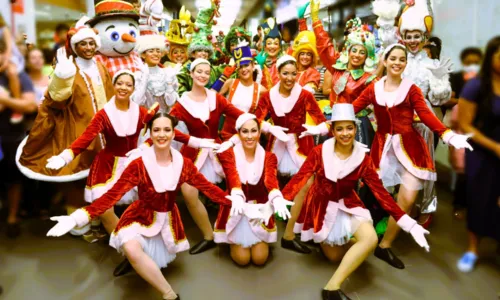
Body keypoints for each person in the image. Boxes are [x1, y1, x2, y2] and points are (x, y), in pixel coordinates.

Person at [46, 113, 251, 300]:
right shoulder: (138, 164)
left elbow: (208, 189)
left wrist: (238, 203)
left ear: (174, 133)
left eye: (167, 130)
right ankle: (169, 294)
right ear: (150, 134)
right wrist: (77, 217)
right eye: (156, 130)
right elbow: (111, 196)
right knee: (132, 249)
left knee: (146, 254)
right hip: (140, 216)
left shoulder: (184, 164)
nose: (162, 135)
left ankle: (143, 262)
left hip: (167, 219)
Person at [282, 103, 430, 299]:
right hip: (321, 207)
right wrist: (277, 199)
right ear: (332, 131)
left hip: (348, 204)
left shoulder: (363, 159)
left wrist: (408, 223)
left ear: (355, 128)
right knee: (334, 257)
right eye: (340, 128)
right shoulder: (319, 152)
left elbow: (382, 195)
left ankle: (331, 288)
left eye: (349, 128)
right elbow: (300, 178)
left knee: (370, 238)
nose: (345, 133)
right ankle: (341, 239)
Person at [352, 44, 472, 269]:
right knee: (370, 194)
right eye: (393, 58)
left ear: (405, 64)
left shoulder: (412, 89)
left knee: (406, 200)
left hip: (410, 149)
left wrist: (447, 134)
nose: (397, 62)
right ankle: (360, 235)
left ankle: (384, 246)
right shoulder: (373, 89)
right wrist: (326, 122)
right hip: (382, 149)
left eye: (402, 59)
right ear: (385, 61)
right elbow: (352, 108)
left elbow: (426, 115)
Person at [17, 17, 114, 239]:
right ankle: (79, 223)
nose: (88, 48)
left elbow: (109, 97)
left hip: (104, 133)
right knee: (77, 179)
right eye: (83, 44)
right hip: (77, 131)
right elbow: (56, 100)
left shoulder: (101, 66)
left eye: (91, 43)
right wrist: (62, 77)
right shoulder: (67, 69)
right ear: (75, 47)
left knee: (100, 178)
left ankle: (98, 217)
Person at [250, 55, 328, 254]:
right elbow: (255, 120)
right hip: (277, 142)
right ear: (278, 73)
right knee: (266, 181)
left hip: (301, 142)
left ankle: (292, 233)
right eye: (285, 73)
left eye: (294, 74)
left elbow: (322, 121)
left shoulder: (305, 95)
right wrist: (268, 127)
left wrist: (315, 130)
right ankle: (261, 226)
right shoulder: (268, 96)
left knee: (307, 184)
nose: (290, 78)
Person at [169, 58, 246, 255]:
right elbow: (167, 128)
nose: (202, 75)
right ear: (192, 74)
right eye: (199, 71)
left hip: (218, 150)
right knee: (188, 192)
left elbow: (241, 116)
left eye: (206, 72)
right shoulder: (182, 103)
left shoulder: (216, 98)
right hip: (193, 153)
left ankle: (237, 229)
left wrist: (239, 136)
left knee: (236, 187)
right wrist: (192, 141)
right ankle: (208, 236)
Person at [214, 113, 294, 266]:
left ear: (259, 132)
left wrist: (276, 198)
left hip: (259, 211)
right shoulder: (228, 155)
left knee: (259, 259)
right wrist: (237, 194)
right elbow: (233, 176)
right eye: (245, 131)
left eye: (253, 131)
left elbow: (271, 181)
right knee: (242, 260)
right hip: (237, 210)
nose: (249, 136)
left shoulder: (269, 157)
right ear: (238, 133)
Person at [457, 36, 500, 273]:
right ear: (491, 57)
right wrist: (494, 147)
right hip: (482, 154)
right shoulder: (476, 86)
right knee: (479, 200)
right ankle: (473, 249)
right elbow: (465, 125)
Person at [0, 38, 36, 238]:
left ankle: (12, 217)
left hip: (11, 135)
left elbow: (30, 106)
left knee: (13, 178)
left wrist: (5, 100)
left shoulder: (18, 76)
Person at [448, 47, 483, 218]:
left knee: (481, 171)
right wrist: (464, 101)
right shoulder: (456, 78)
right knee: (463, 169)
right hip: (462, 130)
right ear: (463, 62)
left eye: (476, 63)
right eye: (469, 63)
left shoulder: (486, 80)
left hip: (483, 131)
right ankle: (459, 205)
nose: (472, 66)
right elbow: (448, 99)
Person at [219, 39, 267, 141]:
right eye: (240, 67)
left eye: (246, 65)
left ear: (253, 66)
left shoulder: (261, 90)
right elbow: (212, 97)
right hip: (228, 135)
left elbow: (262, 116)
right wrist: (223, 76)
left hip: (248, 138)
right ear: (237, 69)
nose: (244, 69)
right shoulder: (230, 83)